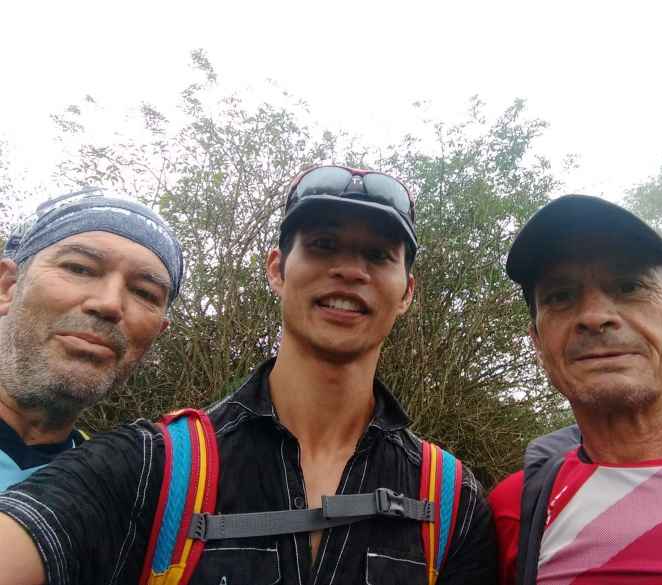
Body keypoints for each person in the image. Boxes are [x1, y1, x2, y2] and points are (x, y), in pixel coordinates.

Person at [0, 166, 497, 584]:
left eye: (377, 256)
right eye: (323, 245)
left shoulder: (452, 501)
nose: (350, 270)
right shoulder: (152, 466)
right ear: (277, 270)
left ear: (407, 291)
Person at [488, 195, 662, 584]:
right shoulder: (512, 511)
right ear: (538, 343)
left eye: (629, 287)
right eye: (560, 297)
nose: (593, 317)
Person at [0, 188, 182, 490]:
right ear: (7, 286)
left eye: (144, 293)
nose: (110, 304)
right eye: (79, 268)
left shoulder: (125, 493)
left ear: (156, 334)